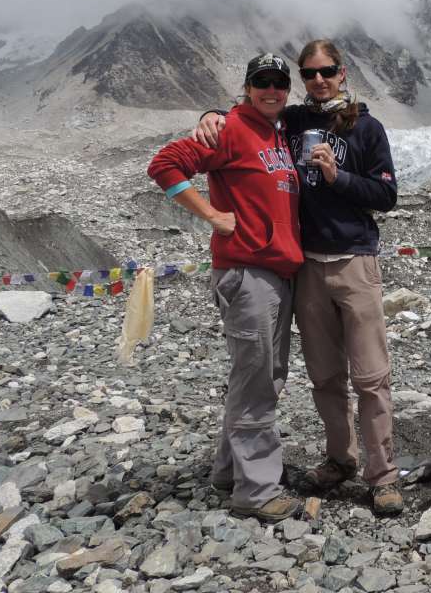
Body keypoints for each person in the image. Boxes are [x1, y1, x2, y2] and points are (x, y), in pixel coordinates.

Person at [195, 39, 403, 515]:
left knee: (371, 376)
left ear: (342, 72)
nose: (318, 81)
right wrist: (215, 112)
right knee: (325, 375)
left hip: (354, 261)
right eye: (308, 74)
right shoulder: (293, 121)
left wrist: (338, 178)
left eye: (326, 71)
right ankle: (340, 457)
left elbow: (386, 194)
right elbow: (253, 113)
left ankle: (384, 475)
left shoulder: (367, 127)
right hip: (306, 266)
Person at [148, 53, 304, 523]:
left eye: (279, 82)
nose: (272, 90)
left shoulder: (277, 133)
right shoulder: (232, 128)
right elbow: (166, 164)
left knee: (260, 374)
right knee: (258, 378)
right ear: (247, 86)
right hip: (247, 270)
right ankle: (256, 492)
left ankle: (228, 470)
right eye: (262, 82)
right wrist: (212, 216)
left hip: (276, 273)